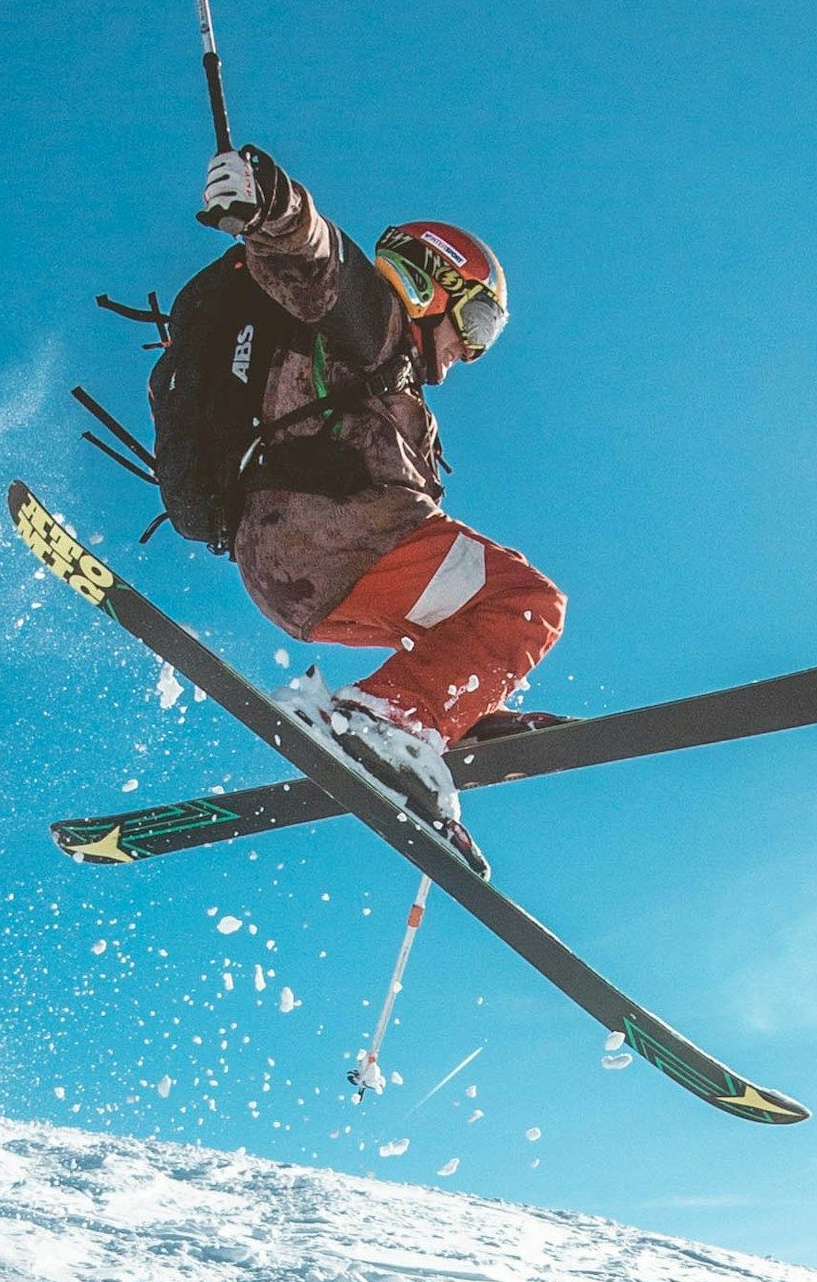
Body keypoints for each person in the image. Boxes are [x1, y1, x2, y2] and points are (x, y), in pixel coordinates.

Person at [199, 143, 565, 872]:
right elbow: (314, 259)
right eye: (479, 322)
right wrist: (270, 201)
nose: (472, 350)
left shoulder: (400, 390)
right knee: (528, 601)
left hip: (300, 569)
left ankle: (443, 707)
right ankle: (388, 717)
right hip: (335, 534)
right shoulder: (372, 320)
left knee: (470, 613)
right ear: (432, 281)